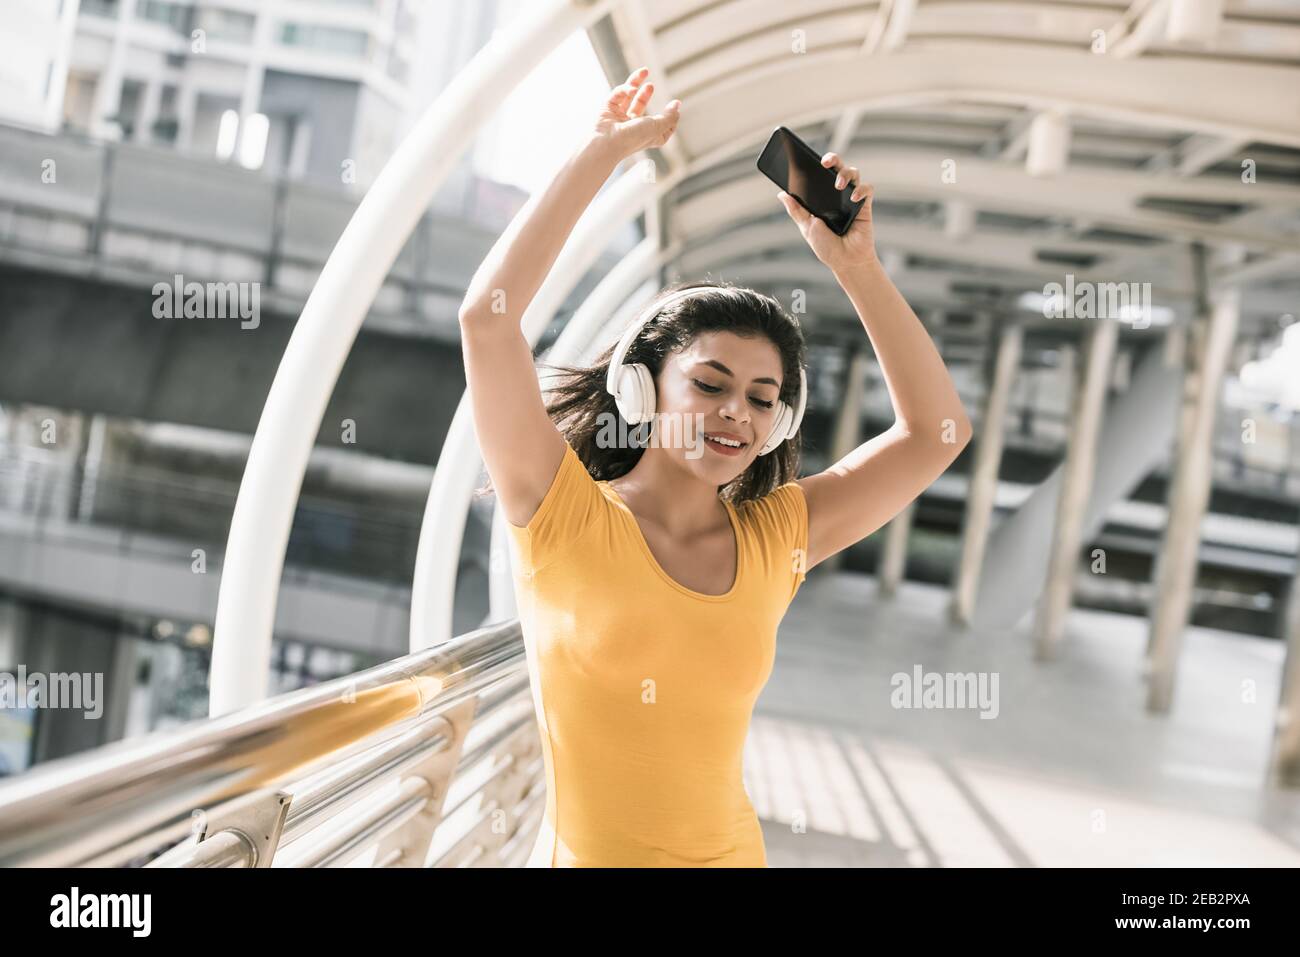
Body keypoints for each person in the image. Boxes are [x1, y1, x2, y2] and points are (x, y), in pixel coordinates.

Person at [458, 67, 972, 867]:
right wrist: (601, 155)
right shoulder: (560, 511)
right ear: (641, 384)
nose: (738, 411)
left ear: (780, 424)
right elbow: (486, 324)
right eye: (710, 383)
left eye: (764, 398)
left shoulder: (778, 535)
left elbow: (937, 432)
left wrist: (857, 266)